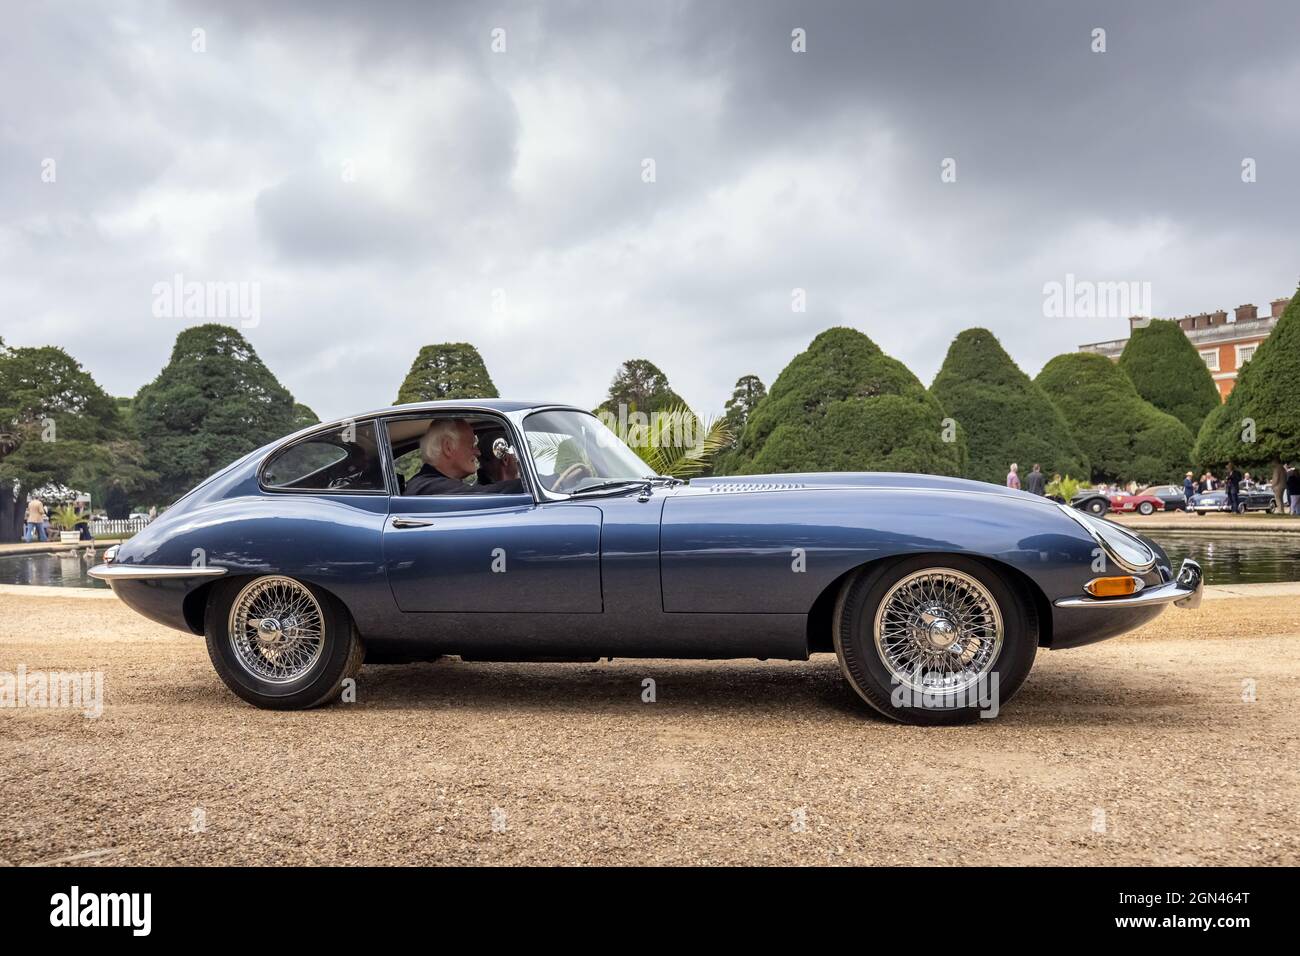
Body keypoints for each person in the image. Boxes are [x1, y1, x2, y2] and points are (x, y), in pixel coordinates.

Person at [406, 419, 524, 496]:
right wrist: (531, 485)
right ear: (448, 447)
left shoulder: (430, 483)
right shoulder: (427, 487)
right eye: (471, 445)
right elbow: (482, 496)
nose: (478, 452)